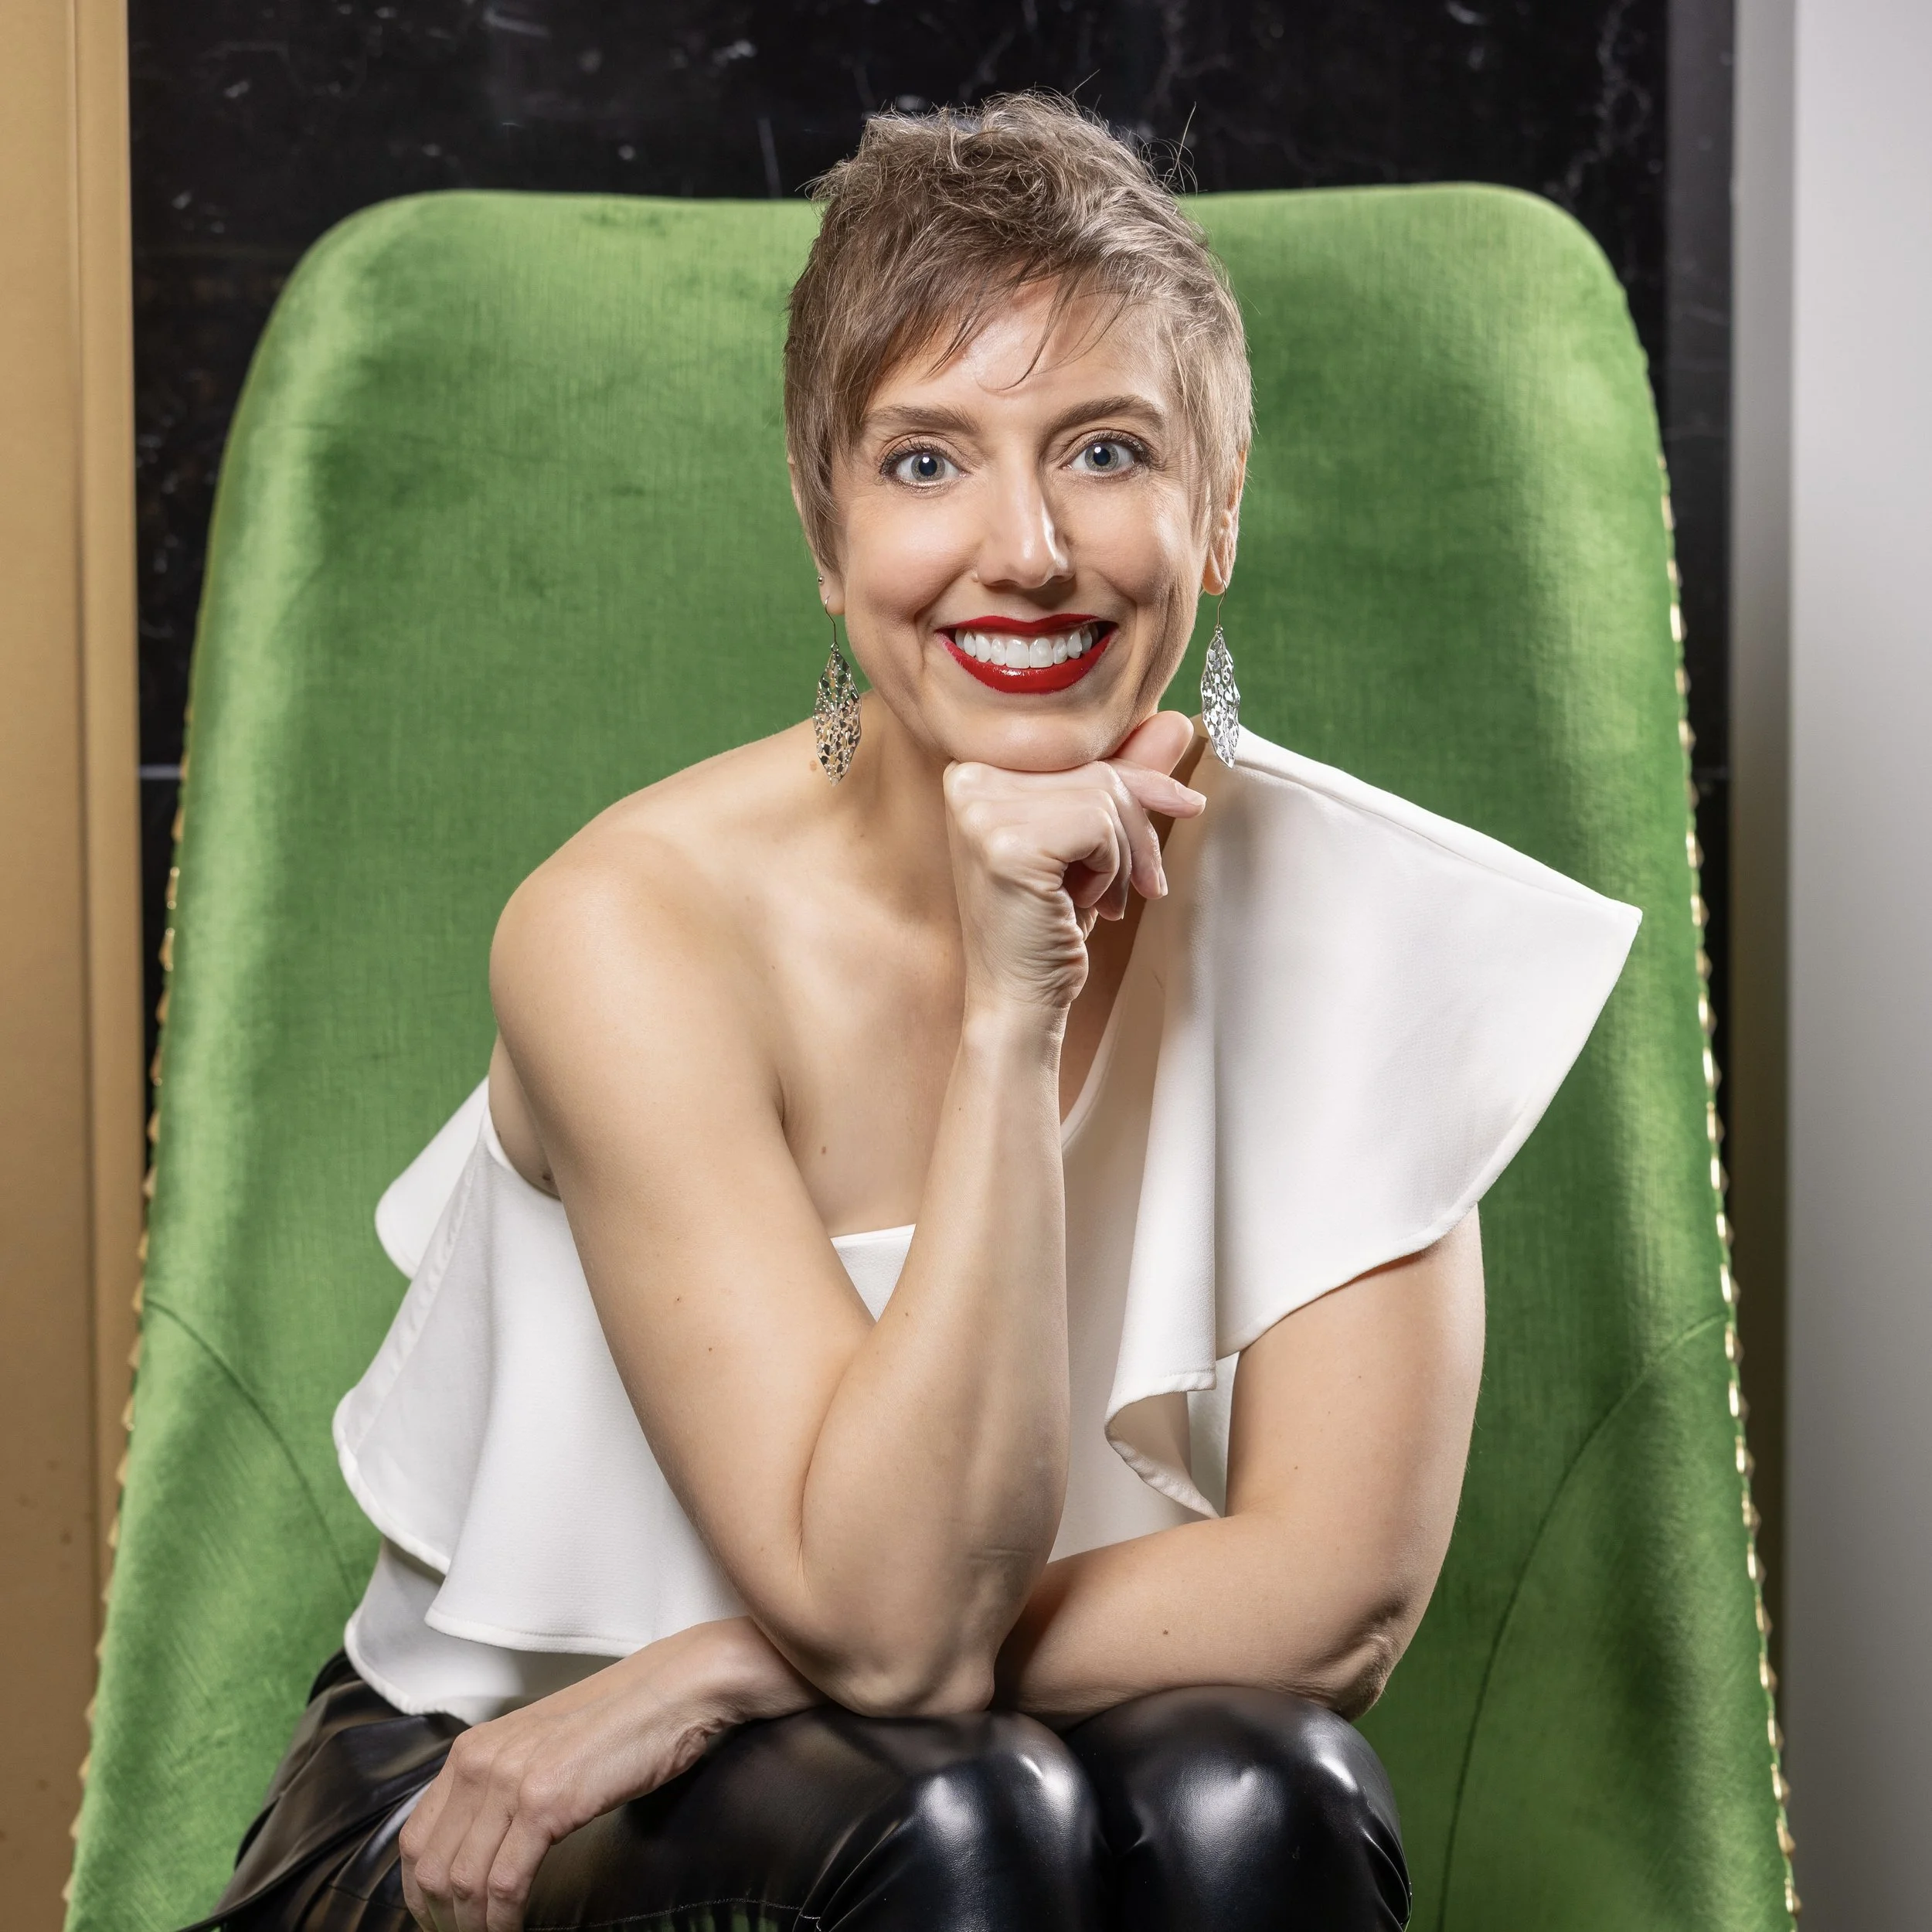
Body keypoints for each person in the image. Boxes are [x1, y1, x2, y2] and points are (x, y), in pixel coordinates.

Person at [185, 94, 1638, 1932]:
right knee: (956, 1815)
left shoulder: (1345, 918)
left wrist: (720, 1662)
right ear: (822, 522)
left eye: (1104, 450)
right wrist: (1004, 1011)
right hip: (494, 1800)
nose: (1024, 548)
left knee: (1254, 1779)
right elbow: (882, 1622)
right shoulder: (629, 929)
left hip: (918, 1745)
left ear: (1216, 513)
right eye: (926, 461)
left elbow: (1335, 1595)